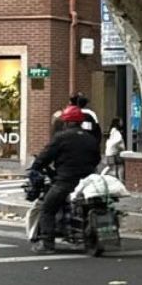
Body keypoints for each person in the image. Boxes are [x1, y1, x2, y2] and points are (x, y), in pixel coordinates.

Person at [28, 104, 100, 252]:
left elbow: (45, 156)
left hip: (66, 181)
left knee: (47, 208)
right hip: (89, 182)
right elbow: (97, 159)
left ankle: (47, 244)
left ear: (66, 122)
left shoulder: (61, 137)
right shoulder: (90, 138)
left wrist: (35, 168)